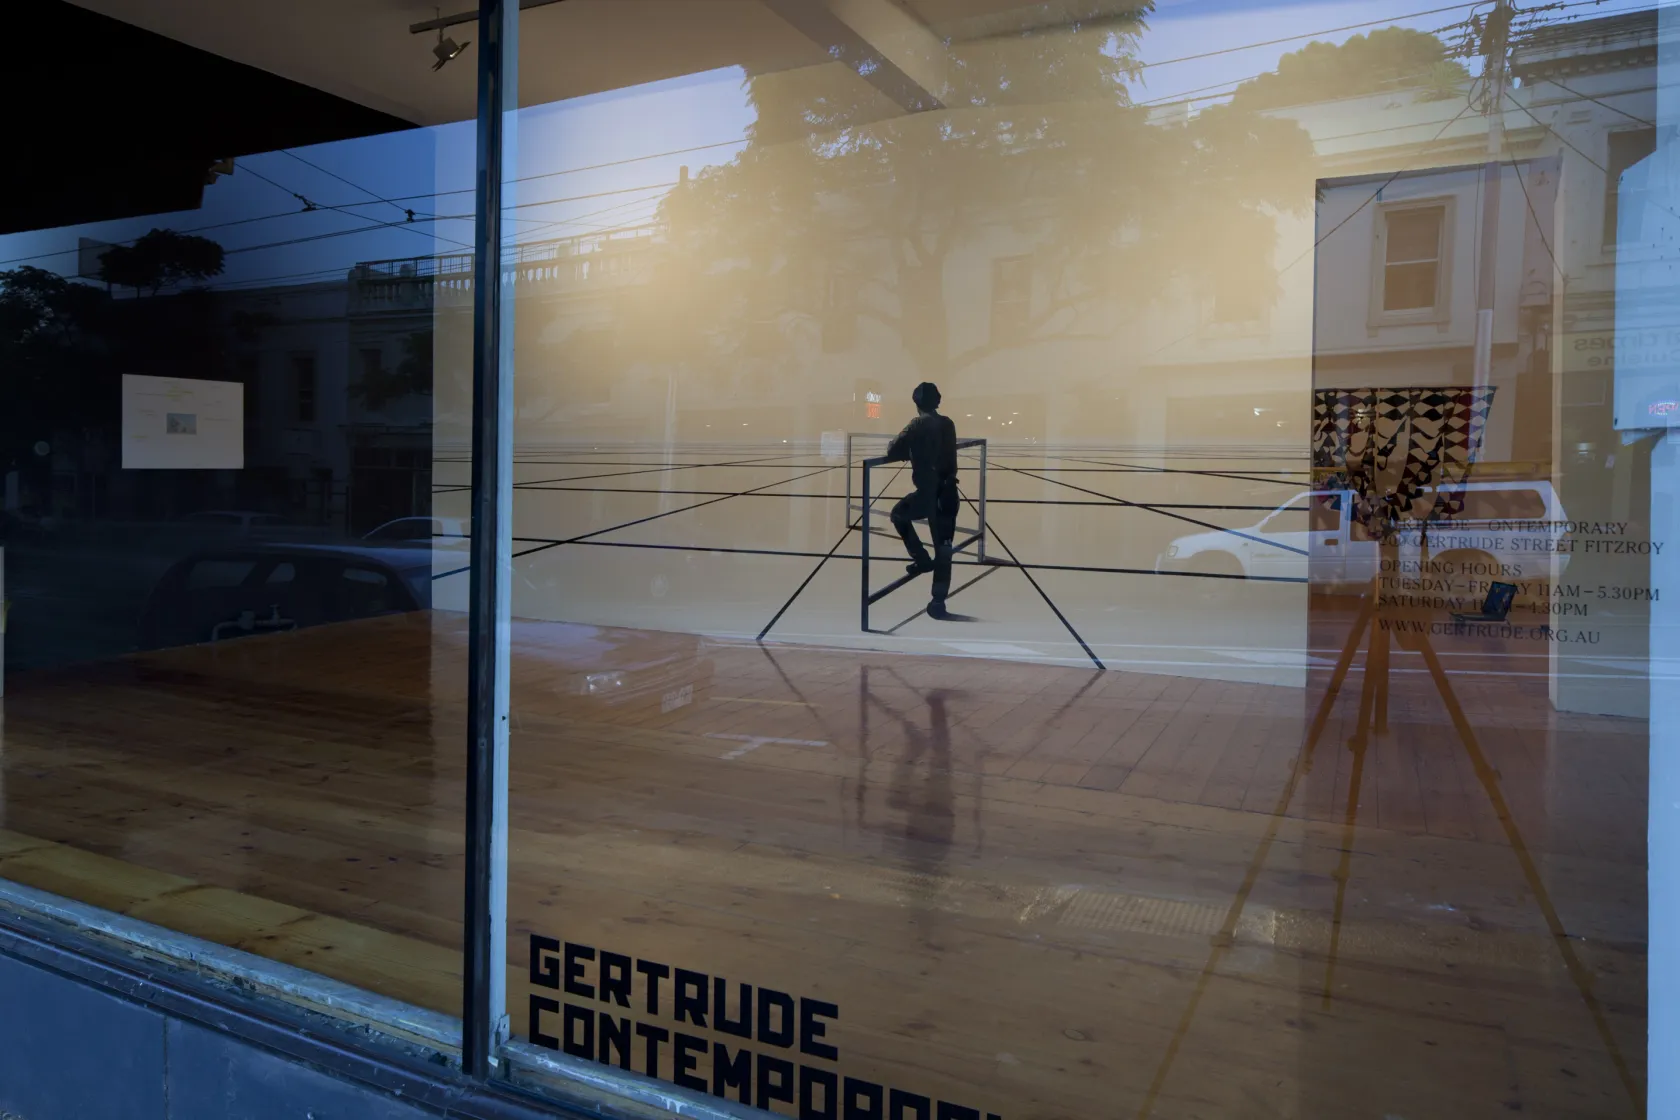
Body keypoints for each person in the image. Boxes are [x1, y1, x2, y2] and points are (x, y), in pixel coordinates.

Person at [885, 382, 958, 620]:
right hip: (948, 493)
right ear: (938, 401)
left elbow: (892, 450)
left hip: (927, 495)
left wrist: (912, 451)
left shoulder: (917, 424)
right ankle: (938, 602)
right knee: (944, 548)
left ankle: (921, 558)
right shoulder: (948, 423)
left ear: (916, 403)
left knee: (899, 514)